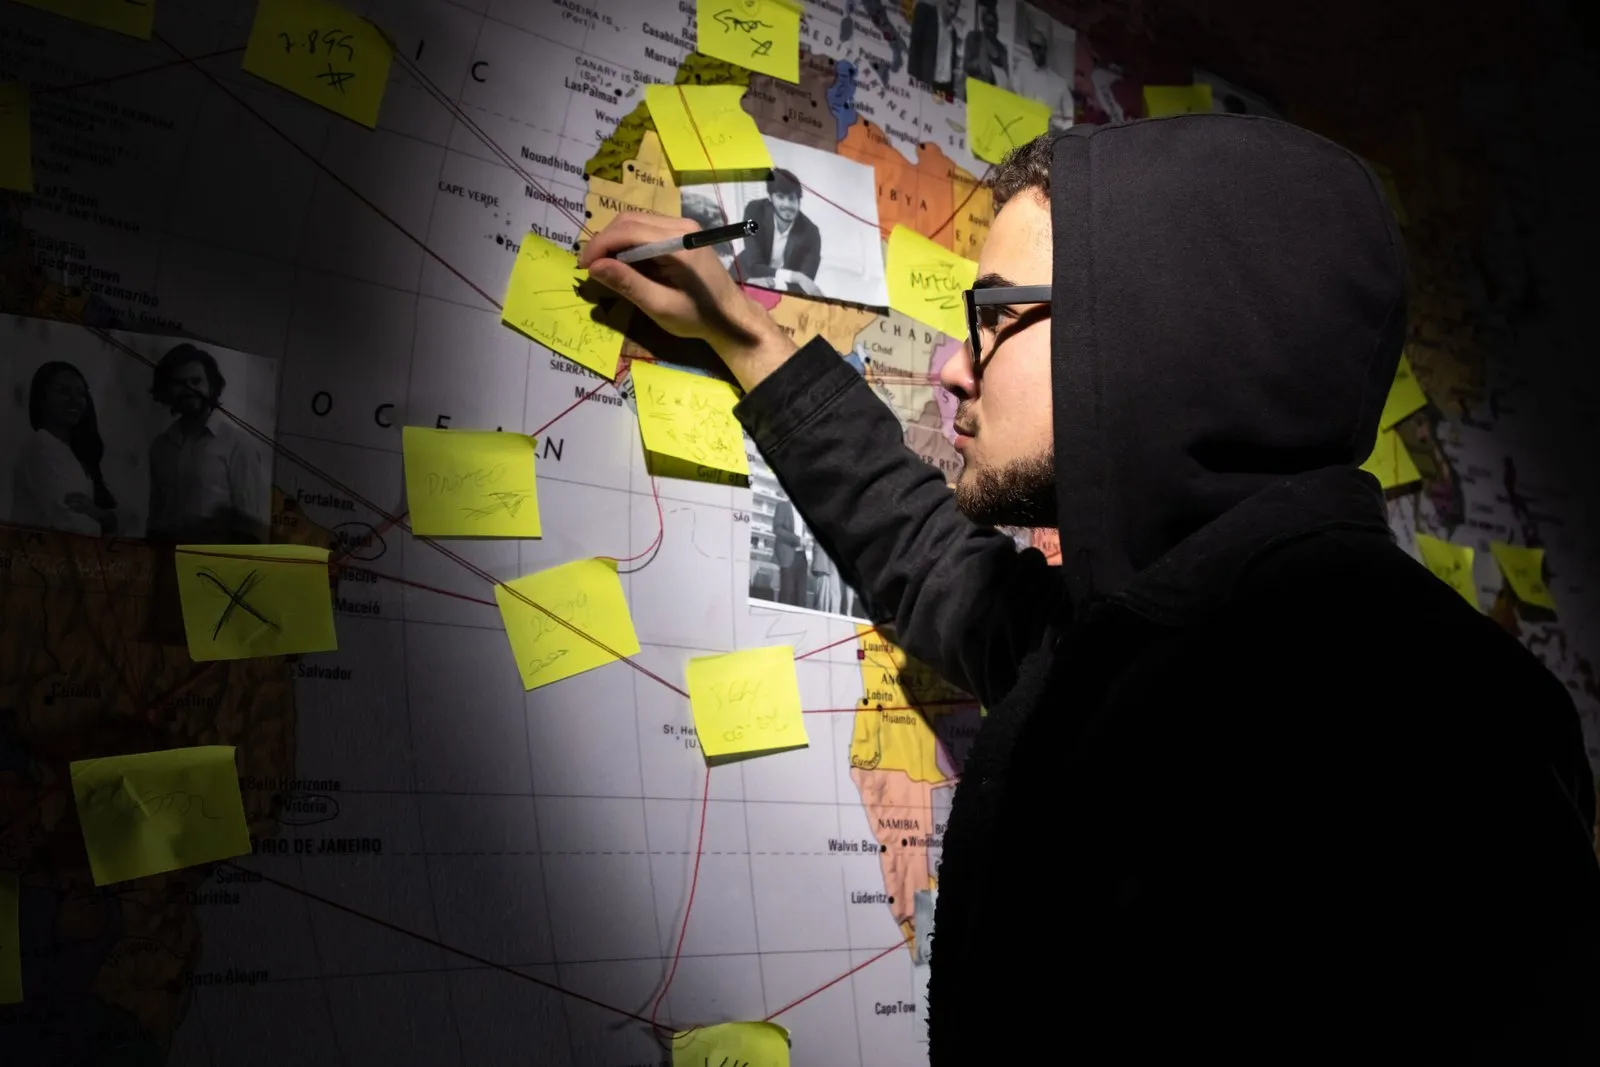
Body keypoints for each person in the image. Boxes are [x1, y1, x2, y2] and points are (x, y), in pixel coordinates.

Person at [579, 116, 1600, 1061]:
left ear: (1154, 338)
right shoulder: (1133, 640)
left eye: (992, 316)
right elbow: (932, 561)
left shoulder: (1442, 729)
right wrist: (747, 335)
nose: (949, 365)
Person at [147, 343, 267, 543]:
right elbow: (155, 518)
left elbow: (251, 525)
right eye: (180, 383)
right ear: (167, 389)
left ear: (211, 386)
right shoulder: (160, 446)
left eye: (196, 381)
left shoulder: (237, 443)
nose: (189, 390)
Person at [13, 361, 117, 536]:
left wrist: (101, 515)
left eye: (81, 394)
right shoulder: (41, 445)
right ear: (42, 398)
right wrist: (106, 519)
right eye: (63, 392)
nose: (75, 401)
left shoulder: (75, 452)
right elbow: (74, 523)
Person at [734, 169, 822, 296]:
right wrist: (794, 276)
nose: (787, 204)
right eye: (780, 197)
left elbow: (805, 283)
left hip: (781, 290)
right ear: (770, 197)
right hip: (744, 276)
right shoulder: (754, 211)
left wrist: (774, 284)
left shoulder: (811, 233)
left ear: (799, 201)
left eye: (792, 198)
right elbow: (754, 265)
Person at [1011, 24, 1072, 128]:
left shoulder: (1060, 84)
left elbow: (1069, 120)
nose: (1035, 51)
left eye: (1038, 47)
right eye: (1032, 46)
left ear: (1046, 49)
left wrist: (1056, 127)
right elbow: (1014, 100)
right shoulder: (1021, 69)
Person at [908, 0, 964, 96]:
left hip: (944, 87)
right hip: (926, 82)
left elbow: (952, 63)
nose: (953, 10)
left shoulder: (953, 33)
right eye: (950, 4)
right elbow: (915, 49)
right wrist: (914, 80)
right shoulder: (926, 15)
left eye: (956, 7)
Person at [962, 0, 1011, 93]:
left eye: (994, 25)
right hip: (975, 91)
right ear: (983, 25)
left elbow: (1006, 77)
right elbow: (966, 66)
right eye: (988, 25)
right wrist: (978, 64)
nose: (992, 29)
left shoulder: (1002, 50)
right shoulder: (974, 38)